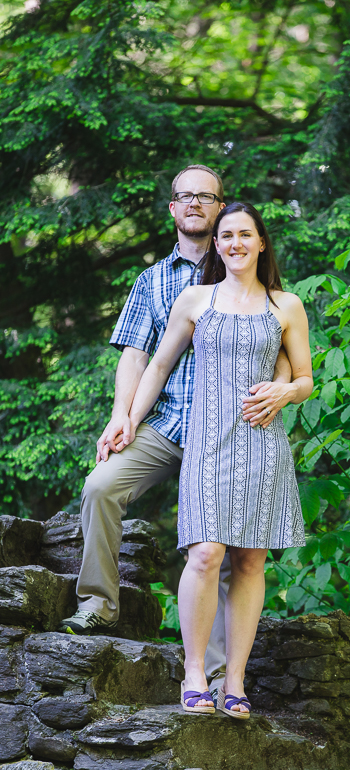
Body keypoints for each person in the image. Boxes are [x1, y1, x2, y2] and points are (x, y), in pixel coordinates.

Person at [58, 166, 293, 700]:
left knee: (227, 551)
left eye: (205, 197)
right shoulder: (154, 280)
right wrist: (124, 416)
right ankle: (98, 603)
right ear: (172, 208)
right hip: (167, 423)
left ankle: (215, 674)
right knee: (101, 486)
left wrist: (278, 390)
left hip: (234, 434)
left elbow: (283, 342)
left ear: (222, 208)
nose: (194, 204)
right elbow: (139, 357)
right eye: (184, 196)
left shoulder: (243, 263)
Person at [126, 201, 313, 717]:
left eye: (244, 235)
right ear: (216, 244)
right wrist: (127, 421)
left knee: (250, 559)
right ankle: (193, 675)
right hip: (206, 445)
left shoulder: (285, 305)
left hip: (261, 443)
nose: (233, 243)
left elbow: (304, 378)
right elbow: (158, 366)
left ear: (261, 243)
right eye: (225, 235)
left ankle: (235, 682)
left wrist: (284, 394)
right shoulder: (195, 299)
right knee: (206, 554)